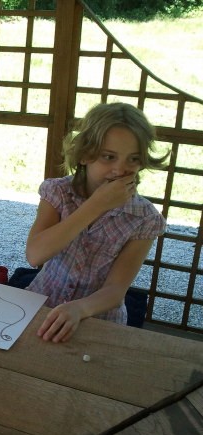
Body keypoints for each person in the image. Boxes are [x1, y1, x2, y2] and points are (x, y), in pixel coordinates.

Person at [25, 102, 169, 343]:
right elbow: (34, 255)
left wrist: (80, 309)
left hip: (99, 317)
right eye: (108, 157)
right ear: (84, 155)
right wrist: (95, 206)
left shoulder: (145, 218)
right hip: (42, 302)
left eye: (133, 159)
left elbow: (116, 289)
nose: (120, 169)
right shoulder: (58, 193)